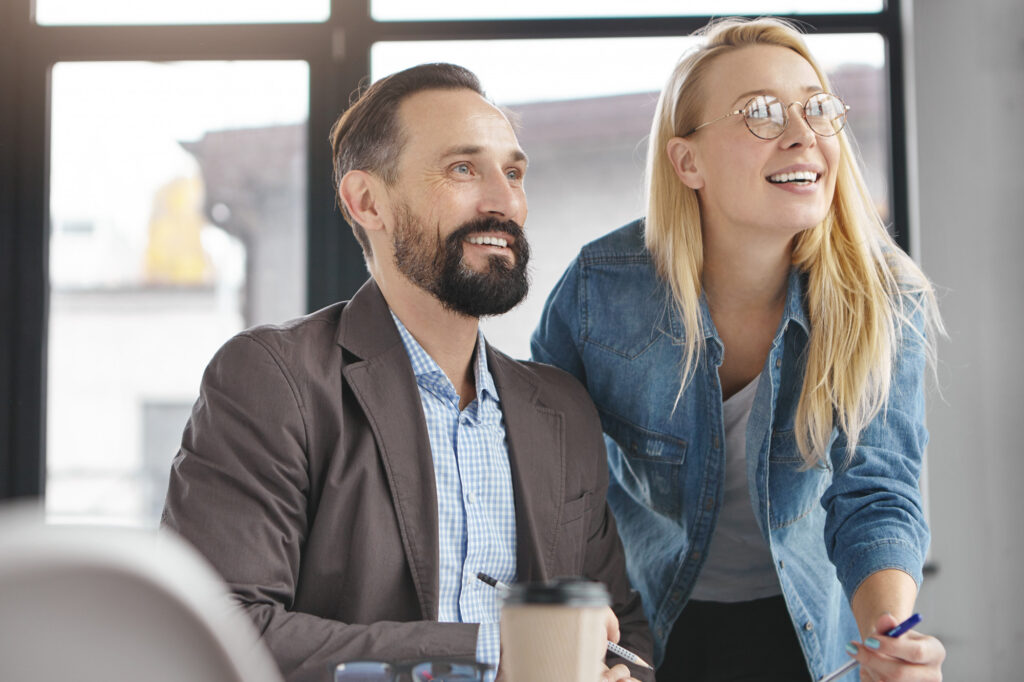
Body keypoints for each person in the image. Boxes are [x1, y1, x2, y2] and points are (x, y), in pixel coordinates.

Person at [162, 63, 652, 682]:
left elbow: (620, 631)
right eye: (463, 169)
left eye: (514, 173)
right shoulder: (273, 380)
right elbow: (215, 625)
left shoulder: (562, 408)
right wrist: (486, 648)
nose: (504, 201)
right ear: (368, 201)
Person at [531, 18, 946, 682]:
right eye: (760, 113)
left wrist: (890, 635)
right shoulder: (600, 290)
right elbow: (543, 480)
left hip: (807, 627)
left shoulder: (882, 294)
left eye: (816, 107)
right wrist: (573, 626)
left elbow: (876, 491)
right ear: (686, 161)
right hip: (641, 625)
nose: (803, 134)